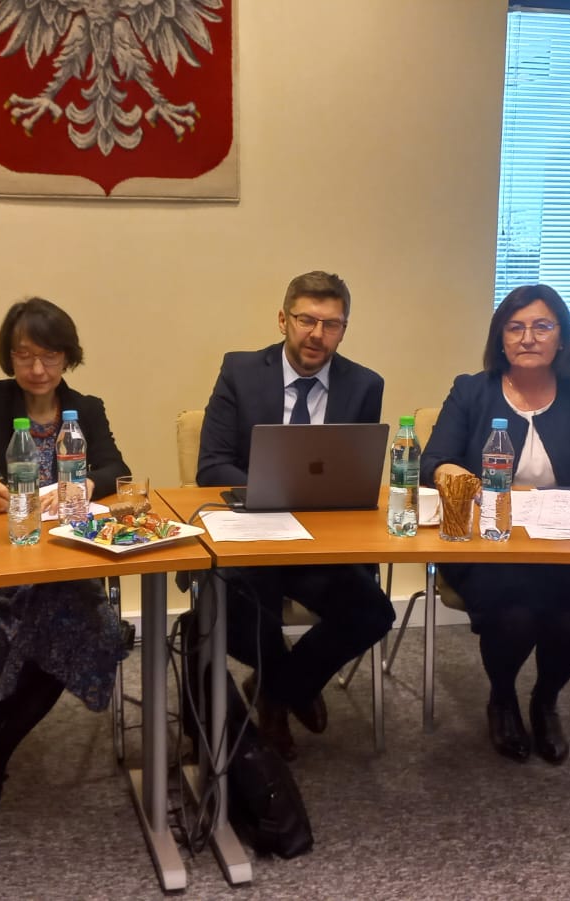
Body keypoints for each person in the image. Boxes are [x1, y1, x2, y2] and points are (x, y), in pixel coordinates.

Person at [0, 296, 131, 847]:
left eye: (50, 356)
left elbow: (117, 469)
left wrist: (87, 483)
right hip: (3, 566)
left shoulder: (86, 409)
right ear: (9, 357)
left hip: (67, 563)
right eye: (24, 356)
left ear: (68, 357)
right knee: (84, 626)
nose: (37, 369)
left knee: (64, 619)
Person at [421, 284, 570, 765]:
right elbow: (432, 461)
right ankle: (502, 698)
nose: (528, 338)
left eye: (542, 326)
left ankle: (545, 701)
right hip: (488, 542)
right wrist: (449, 471)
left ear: (561, 338)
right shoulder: (471, 390)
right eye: (515, 327)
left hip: (567, 544)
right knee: (516, 613)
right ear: (500, 338)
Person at [196, 270, 394, 760]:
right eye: (307, 320)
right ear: (283, 319)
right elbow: (212, 466)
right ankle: (285, 693)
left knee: (373, 612)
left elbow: (354, 471)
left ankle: (278, 690)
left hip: (320, 544)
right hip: (252, 534)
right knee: (239, 609)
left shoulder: (364, 385)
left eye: (331, 324)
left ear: (344, 330)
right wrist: (275, 491)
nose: (317, 334)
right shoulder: (240, 371)